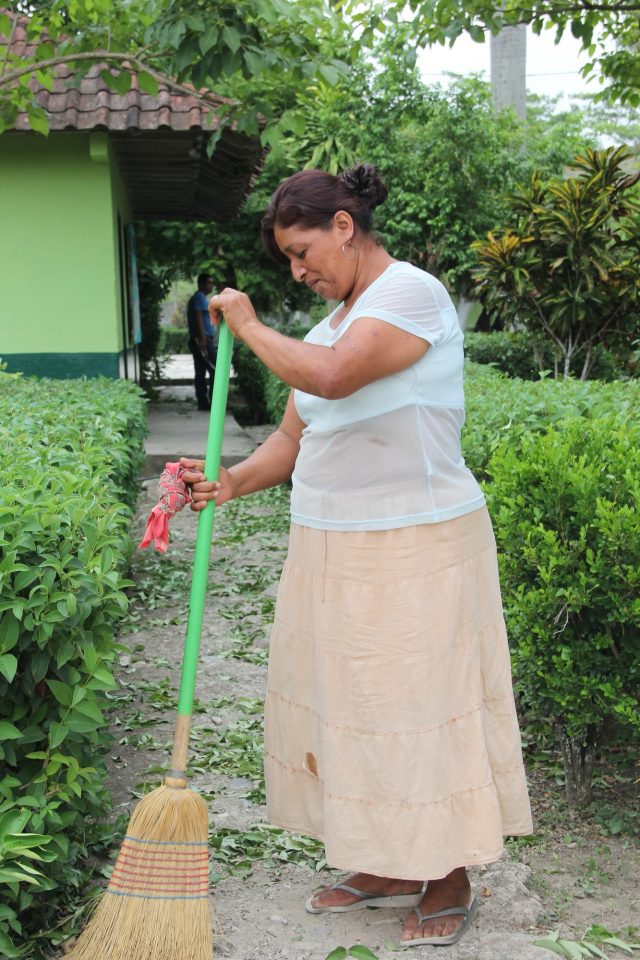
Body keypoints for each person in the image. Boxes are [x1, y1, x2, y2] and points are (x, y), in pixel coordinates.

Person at [181, 164, 533, 948]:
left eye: (303, 253)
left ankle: (447, 876)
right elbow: (293, 435)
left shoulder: (410, 294)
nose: (300, 272)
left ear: (345, 225)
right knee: (355, 711)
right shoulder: (326, 326)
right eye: (288, 263)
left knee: (418, 711)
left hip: (417, 543)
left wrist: (245, 325)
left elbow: (335, 382)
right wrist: (231, 483)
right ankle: (385, 861)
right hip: (331, 546)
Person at [187, 272, 217, 411]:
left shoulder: (200, 298)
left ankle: (203, 401)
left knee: (201, 371)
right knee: (213, 369)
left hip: (200, 339)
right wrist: (203, 338)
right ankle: (212, 400)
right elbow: (199, 318)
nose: (211, 286)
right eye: (209, 283)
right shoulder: (199, 298)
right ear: (201, 284)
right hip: (202, 340)